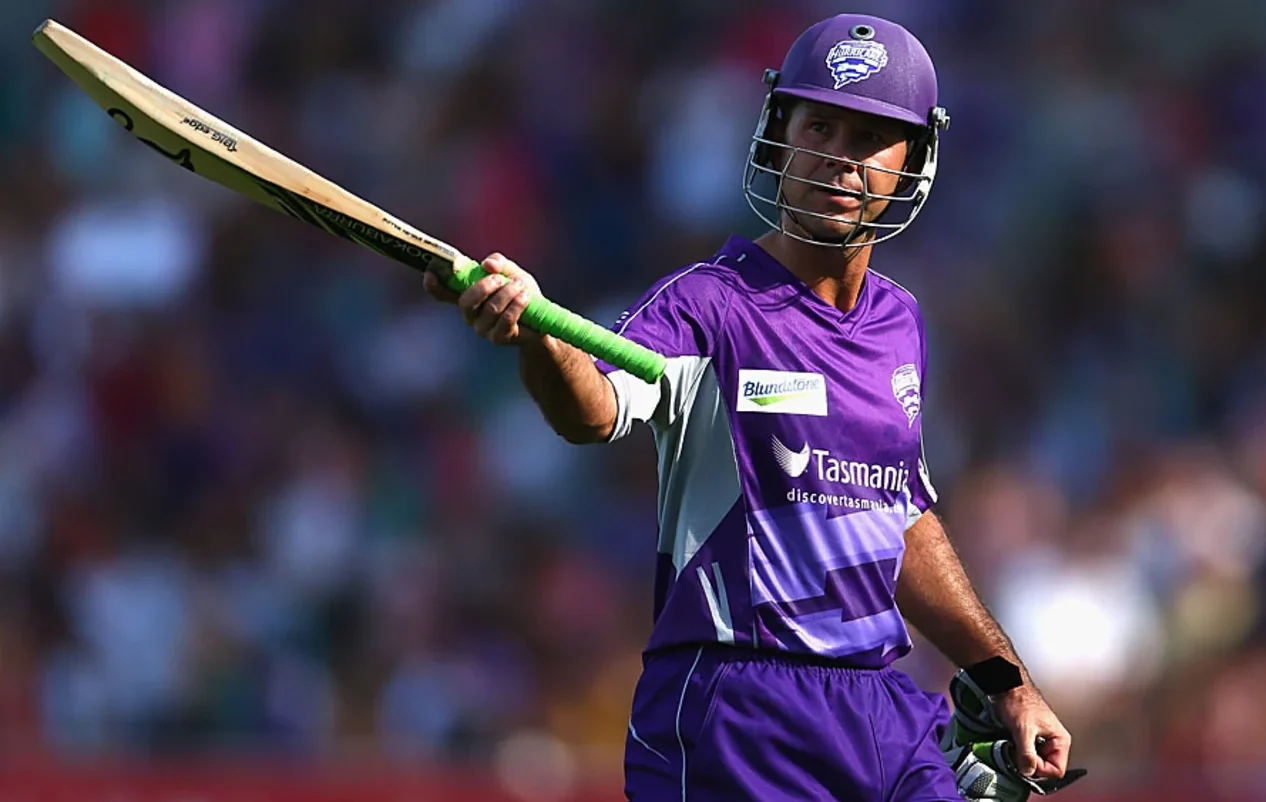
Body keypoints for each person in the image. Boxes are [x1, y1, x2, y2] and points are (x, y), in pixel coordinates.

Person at [425, 12, 1074, 802]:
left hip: (876, 704)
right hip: (735, 707)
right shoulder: (704, 306)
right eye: (821, 126)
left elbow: (900, 518)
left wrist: (1004, 678)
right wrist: (537, 339)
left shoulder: (900, 322)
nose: (839, 158)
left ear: (915, 159)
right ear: (778, 131)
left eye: (871, 137)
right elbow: (591, 411)